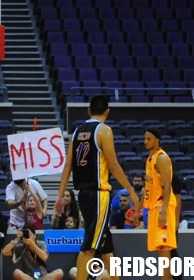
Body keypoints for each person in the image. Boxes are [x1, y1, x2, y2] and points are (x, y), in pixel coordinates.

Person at [55, 95, 139, 280]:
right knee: (90, 247)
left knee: (105, 243)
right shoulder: (104, 131)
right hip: (99, 194)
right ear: (107, 112)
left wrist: (60, 196)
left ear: (88, 111)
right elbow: (114, 165)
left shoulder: (77, 132)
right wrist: (131, 190)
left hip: (83, 194)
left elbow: (67, 166)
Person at [136, 128, 177, 280]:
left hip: (162, 205)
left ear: (157, 140)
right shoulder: (150, 158)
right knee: (160, 248)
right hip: (153, 206)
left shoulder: (162, 158)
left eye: (149, 138)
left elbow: (167, 185)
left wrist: (164, 211)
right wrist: (138, 208)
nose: (145, 141)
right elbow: (148, 187)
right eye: (145, 138)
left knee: (164, 246)